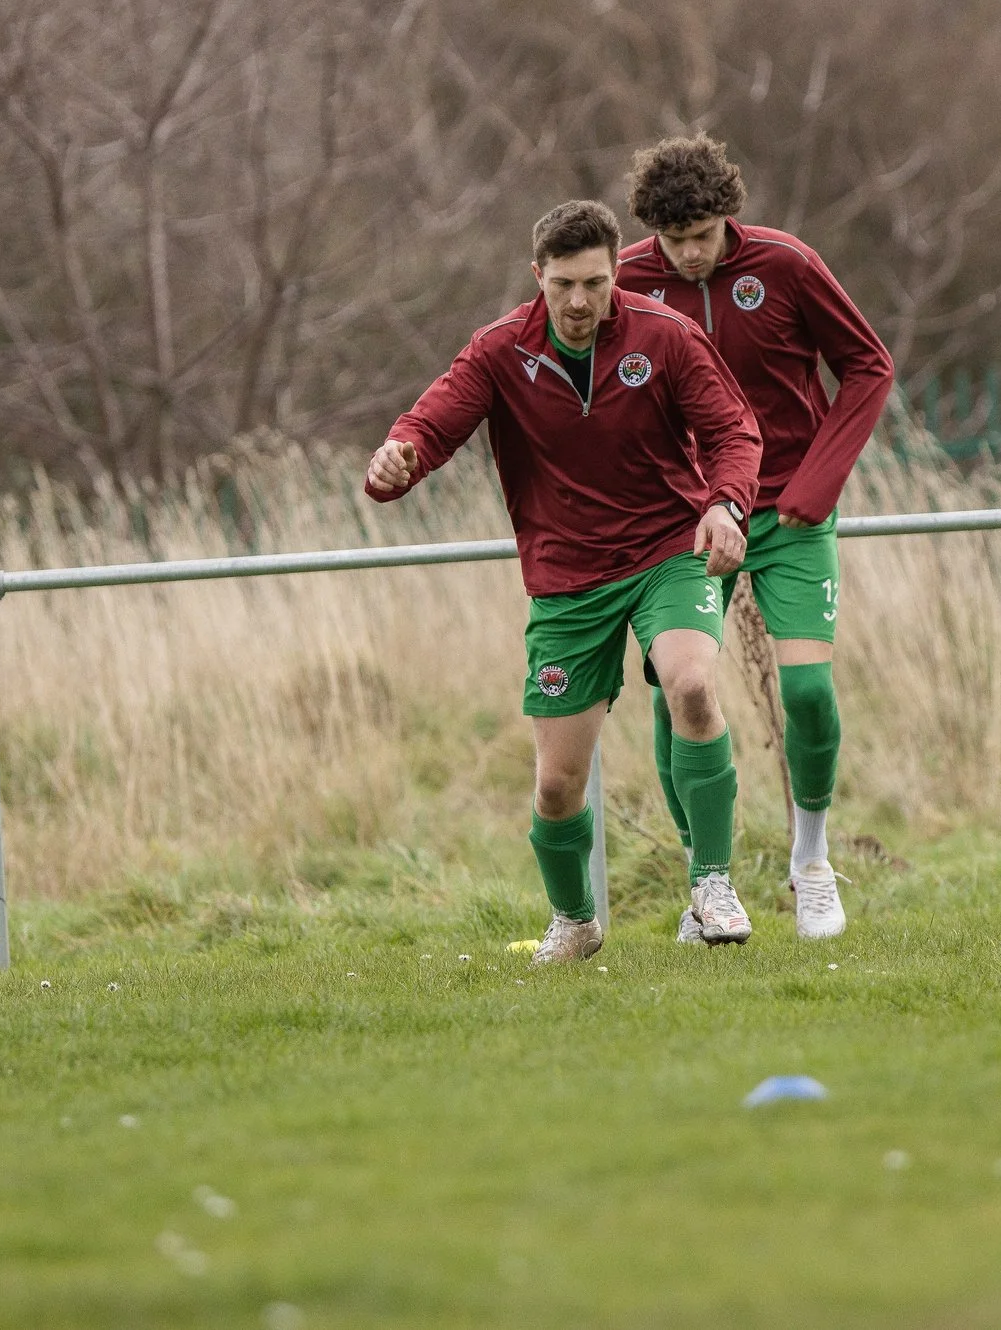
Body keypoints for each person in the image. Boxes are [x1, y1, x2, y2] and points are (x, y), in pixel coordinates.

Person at [366, 200, 765, 962]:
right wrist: (397, 457)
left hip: (665, 553)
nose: (580, 302)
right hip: (567, 575)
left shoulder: (666, 336)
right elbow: (430, 426)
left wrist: (723, 505)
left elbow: (731, 431)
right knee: (556, 787)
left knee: (690, 685)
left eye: (595, 283)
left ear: (618, 272)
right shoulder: (498, 351)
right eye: (562, 286)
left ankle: (712, 884)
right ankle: (576, 922)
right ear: (536, 279)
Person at [616, 136, 896, 942]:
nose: (690, 254)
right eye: (674, 242)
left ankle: (811, 861)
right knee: (683, 695)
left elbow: (868, 366)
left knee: (807, 693)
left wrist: (819, 481)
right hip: (685, 519)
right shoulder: (628, 283)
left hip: (788, 515)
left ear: (726, 217)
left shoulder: (787, 265)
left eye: (702, 235)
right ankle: (709, 885)